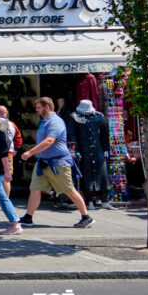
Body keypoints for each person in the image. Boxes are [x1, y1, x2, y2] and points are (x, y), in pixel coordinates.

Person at [19, 97, 94, 229]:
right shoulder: (44, 121)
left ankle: (86, 217)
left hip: (58, 162)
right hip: (43, 162)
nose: (36, 111)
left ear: (46, 107)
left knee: (69, 190)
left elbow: (49, 141)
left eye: (38, 108)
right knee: (35, 189)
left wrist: (30, 152)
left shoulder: (55, 121)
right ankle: (28, 217)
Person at [70, 99, 113, 210]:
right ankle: (89, 201)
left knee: (102, 173)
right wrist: (75, 150)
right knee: (87, 174)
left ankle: (104, 199)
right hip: (84, 150)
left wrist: (106, 148)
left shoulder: (99, 117)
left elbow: (104, 134)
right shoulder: (74, 117)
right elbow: (72, 135)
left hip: (97, 149)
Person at [0, 105, 22, 208]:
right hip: (8, 153)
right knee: (6, 178)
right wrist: (15, 149)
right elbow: (19, 139)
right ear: (6, 114)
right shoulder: (12, 124)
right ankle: (6, 201)